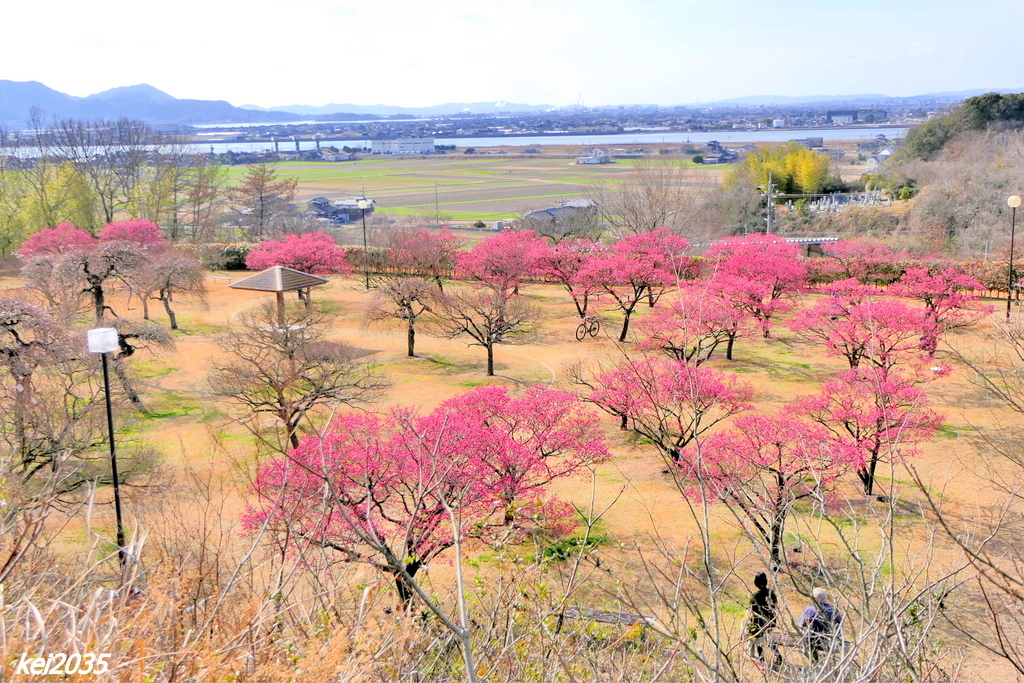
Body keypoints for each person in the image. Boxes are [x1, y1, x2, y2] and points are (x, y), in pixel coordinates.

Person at [746, 572, 781, 668]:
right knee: (768, 639)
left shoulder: (755, 596)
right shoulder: (771, 593)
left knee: (758, 640)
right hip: (770, 622)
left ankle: (762, 661)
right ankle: (778, 655)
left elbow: (752, 611)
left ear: (756, 583)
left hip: (759, 623)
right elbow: (775, 607)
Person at [798, 587, 843, 662]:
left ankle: (814, 657)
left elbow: (800, 624)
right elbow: (840, 625)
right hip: (831, 641)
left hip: (812, 642)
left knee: (807, 636)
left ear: (816, 599)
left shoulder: (809, 610)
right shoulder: (834, 610)